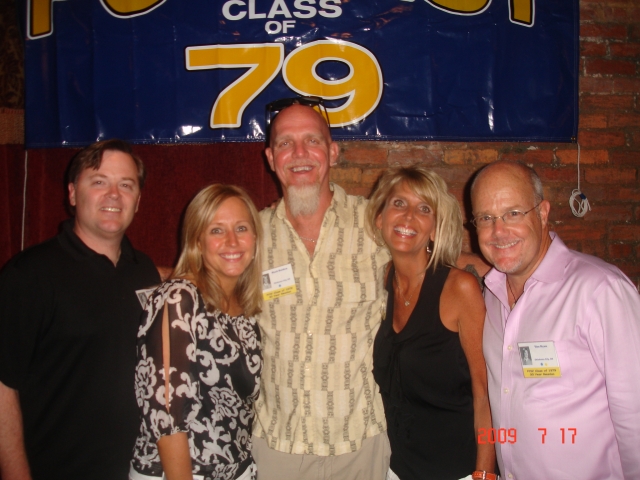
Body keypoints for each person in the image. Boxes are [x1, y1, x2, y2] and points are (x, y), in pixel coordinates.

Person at [0, 139, 161, 480]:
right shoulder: (29, 275)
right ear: (73, 193)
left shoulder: (142, 270)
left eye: (126, 185)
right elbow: (2, 385)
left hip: (134, 472)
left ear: (138, 200)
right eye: (99, 181)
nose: (113, 195)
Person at [471, 160, 640, 479]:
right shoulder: (490, 298)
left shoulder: (600, 291)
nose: (498, 231)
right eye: (486, 218)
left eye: (513, 213)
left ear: (543, 213)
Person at [251, 98, 392, 480]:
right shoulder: (251, 236)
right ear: (270, 157)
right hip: (279, 445)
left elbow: (434, 260)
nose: (299, 154)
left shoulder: (375, 224)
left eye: (312, 141)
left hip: (359, 443)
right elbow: (200, 273)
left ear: (332, 152)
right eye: (285, 143)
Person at [366, 165, 496, 480]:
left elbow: (485, 395)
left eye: (424, 209)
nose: (408, 216)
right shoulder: (379, 281)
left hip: (457, 470)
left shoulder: (458, 288)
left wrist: (484, 474)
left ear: (435, 228)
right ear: (381, 218)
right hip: (393, 468)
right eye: (399, 203)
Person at [130, 184, 263, 480]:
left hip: (235, 467)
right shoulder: (179, 298)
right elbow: (165, 414)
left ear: (255, 239)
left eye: (241, 228)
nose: (232, 241)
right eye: (216, 230)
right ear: (197, 241)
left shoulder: (246, 308)